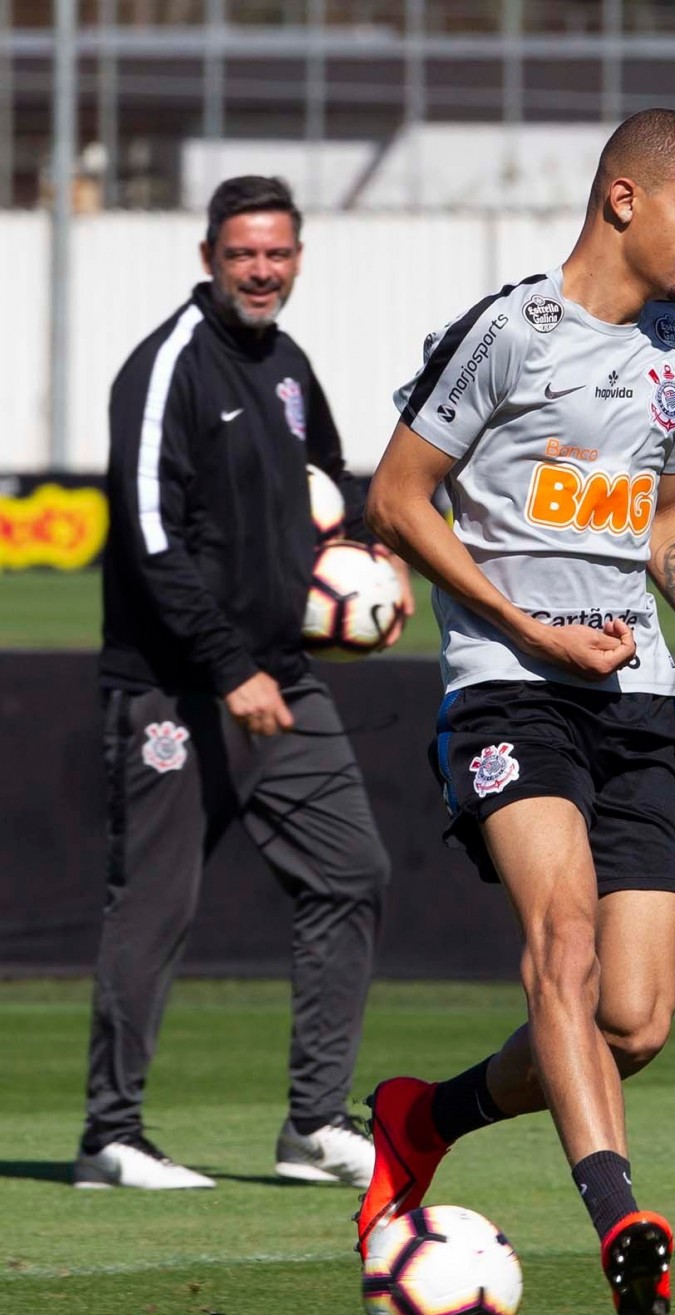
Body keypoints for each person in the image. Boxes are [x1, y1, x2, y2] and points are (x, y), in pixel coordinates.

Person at [357, 109, 675, 1315]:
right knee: (563, 940)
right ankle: (616, 1218)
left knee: (632, 1020)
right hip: (507, 681)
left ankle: (421, 1119)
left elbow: (662, 515)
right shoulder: (506, 331)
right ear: (623, 201)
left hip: (635, 694)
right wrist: (524, 626)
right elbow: (397, 497)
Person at [74, 175, 412, 1192]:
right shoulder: (166, 365)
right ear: (208, 258)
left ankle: (312, 1122)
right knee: (156, 906)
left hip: (283, 680)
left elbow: (326, 487)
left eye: (277, 253)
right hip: (173, 689)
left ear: (297, 258)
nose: (260, 270)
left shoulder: (288, 364)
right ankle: (110, 1135)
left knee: (351, 870)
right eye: (241, 254)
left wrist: (357, 563)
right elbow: (143, 535)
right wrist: (226, 669)